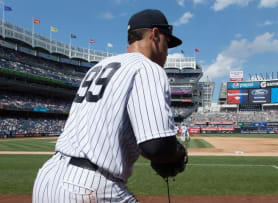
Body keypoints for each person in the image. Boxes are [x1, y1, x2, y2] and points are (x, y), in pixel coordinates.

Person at [33, 9, 188, 203]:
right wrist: (176, 153)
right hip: (89, 186)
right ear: (155, 35)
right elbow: (156, 147)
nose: (166, 52)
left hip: (47, 179)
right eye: (167, 43)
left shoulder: (99, 66)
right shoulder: (148, 68)